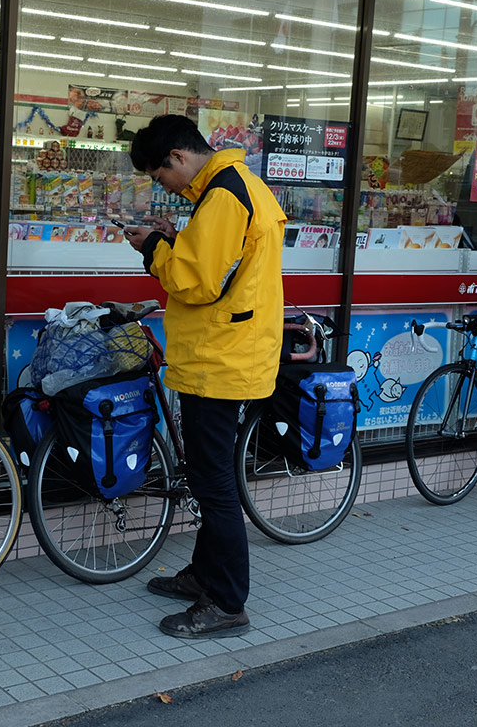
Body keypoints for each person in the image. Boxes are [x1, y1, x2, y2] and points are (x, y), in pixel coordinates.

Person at [122, 115, 286, 638]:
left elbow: (196, 283)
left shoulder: (223, 196)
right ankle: (202, 576)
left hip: (220, 361)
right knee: (208, 477)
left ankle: (226, 602)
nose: (160, 185)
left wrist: (152, 247)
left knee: (214, 485)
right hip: (230, 354)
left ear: (177, 157)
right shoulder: (240, 187)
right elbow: (223, 263)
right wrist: (176, 237)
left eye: (156, 174)